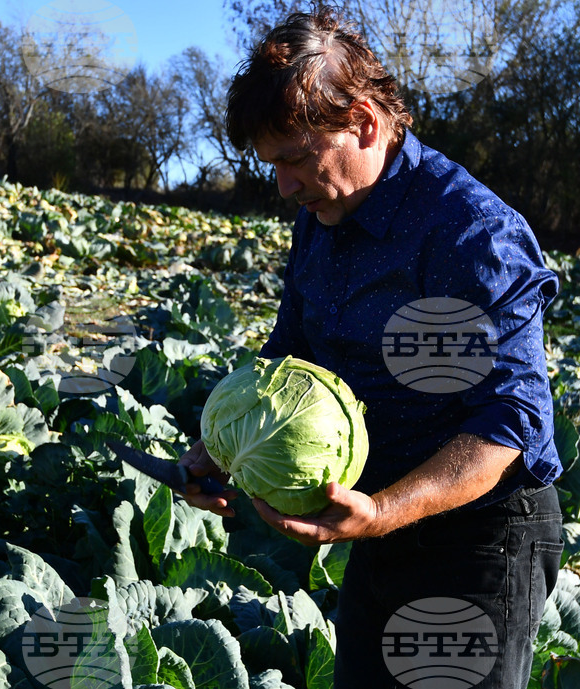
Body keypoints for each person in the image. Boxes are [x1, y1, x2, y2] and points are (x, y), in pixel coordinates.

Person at [178, 6, 564, 689]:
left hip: (478, 537)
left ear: (363, 121)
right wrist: (222, 446)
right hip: (372, 526)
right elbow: (289, 353)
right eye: (273, 166)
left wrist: (384, 509)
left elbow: (509, 423)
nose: (284, 187)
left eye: (295, 159)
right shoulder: (322, 219)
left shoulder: (472, 234)